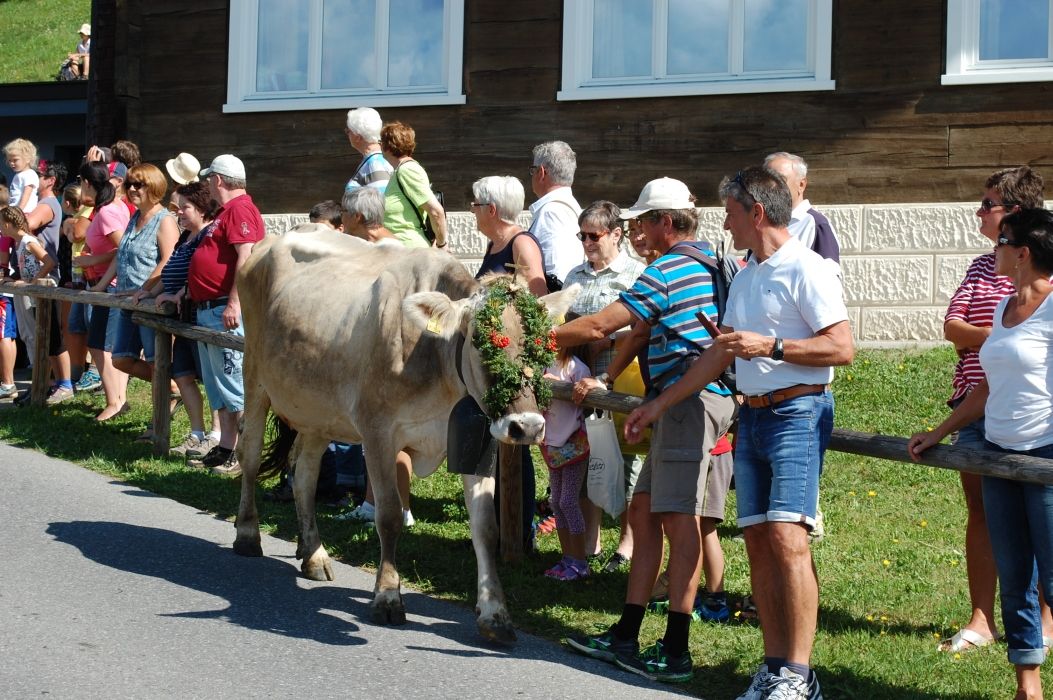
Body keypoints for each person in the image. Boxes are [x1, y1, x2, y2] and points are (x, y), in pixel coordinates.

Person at [624, 166, 853, 698]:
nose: (724, 224)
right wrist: (658, 405)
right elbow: (719, 354)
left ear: (757, 212)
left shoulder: (808, 268)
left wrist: (770, 346)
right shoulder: (746, 274)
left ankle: (800, 676)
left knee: (788, 539)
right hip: (752, 415)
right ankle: (774, 668)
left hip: (797, 413)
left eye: (730, 214)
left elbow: (841, 348)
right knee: (757, 540)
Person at [561, 177, 736, 683]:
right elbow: (640, 330)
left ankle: (676, 649)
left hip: (689, 403)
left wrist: (536, 335)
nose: (636, 229)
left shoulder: (670, 267)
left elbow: (602, 325)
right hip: (676, 403)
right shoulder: (700, 261)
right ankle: (626, 633)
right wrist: (608, 377)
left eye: (641, 221)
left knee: (681, 523)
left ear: (664, 221)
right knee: (643, 512)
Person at [908, 207, 1053, 700]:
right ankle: (1028, 688)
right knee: (1014, 575)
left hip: (1044, 460)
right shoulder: (1002, 307)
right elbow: (988, 386)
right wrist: (939, 432)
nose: (995, 248)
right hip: (997, 455)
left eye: (1002, 240)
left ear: (1023, 253)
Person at [938, 165, 1052, 653]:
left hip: (1035, 423)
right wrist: (1002, 339)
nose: (978, 212)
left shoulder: (1043, 279)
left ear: (1016, 215)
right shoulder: (986, 270)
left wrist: (1002, 341)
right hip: (978, 406)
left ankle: (1045, 622)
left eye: (988, 204)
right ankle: (985, 621)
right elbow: (952, 326)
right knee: (984, 514)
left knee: (1042, 525)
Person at [562, 201, 645, 572]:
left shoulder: (636, 274)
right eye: (581, 236)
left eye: (593, 236)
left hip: (620, 377)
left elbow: (643, 327)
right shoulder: (574, 275)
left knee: (624, 456)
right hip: (578, 382)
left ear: (616, 234)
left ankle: (627, 543)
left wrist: (608, 338)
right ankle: (590, 542)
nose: (586, 243)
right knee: (585, 455)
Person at [186, 154, 265, 476]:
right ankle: (226, 447)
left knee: (234, 384)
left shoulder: (240, 209)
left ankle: (244, 453)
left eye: (209, 179)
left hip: (224, 310)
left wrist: (235, 303)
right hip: (210, 308)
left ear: (218, 179)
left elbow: (246, 258)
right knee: (218, 386)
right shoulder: (225, 211)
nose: (207, 185)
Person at [145, 181, 221, 459]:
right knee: (183, 374)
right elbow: (170, 271)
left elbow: (200, 274)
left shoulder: (207, 236)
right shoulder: (186, 236)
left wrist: (178, 293)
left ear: (201, 208)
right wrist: (150, 292)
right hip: (183, 318)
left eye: (185, 208)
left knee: (211, 378)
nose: (179, 213)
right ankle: (196, 433)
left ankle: (216, 435)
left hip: (200, 316)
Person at [108, 164, 179, 432]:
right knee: (120, 359)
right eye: (129, 184)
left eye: (139, 184)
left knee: (156, 361)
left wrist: (146, 289)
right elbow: (121, 255)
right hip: (128, 300)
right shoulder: (134, 216)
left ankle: (158, 424)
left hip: (150, 303)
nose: (132, 189)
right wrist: (105, 285)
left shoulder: (164, 219)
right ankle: (174, 388)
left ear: (154, 187)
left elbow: (169, 260)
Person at [72, 161, 131, 421]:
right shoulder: (113, 206)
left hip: (110, 287)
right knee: (107, 346)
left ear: (87, 183)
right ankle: (119, 400)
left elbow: (123, 249)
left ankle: (114, 402)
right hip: (109, 285)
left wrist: (93, 261)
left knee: (99, 347)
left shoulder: (106, 212)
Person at [0, 205, 73, 405]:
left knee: (52, 339)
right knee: (34, 337)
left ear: (8, 224)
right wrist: (15, 278)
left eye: (1, 224)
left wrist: (32, 283)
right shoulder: (19, 243)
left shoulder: (28, 241)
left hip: (44, 293)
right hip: (33, 294)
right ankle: (40, 383)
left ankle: (62, 383)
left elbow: (49, 262)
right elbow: (26, 267)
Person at [540, 342, 592, 581]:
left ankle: (580, 561)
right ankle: (567, 558)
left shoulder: (577, 368)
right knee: (556, 502)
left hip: (574, 444)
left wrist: (561, 386)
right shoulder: (543, 365)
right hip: (552, 444)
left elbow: (586, 400)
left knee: (568, 501)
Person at [379, 121, 447, 250]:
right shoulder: (400, 170)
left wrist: (442, 245)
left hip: (410, 251)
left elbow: (436, 212)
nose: (379, 145)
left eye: (381, 142)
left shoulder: (407, 170)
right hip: (402, 250)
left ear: (388, 145)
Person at [764, 152, 840, 263]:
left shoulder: (816, 225)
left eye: (780, 180)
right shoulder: (763, 224)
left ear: (801, 185)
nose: (771, 186)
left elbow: (829, 273)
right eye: (766, 181)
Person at [528, 141, 583, 285]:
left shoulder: (551, 213)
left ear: (541, 172)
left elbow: (557, 275)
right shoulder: (566, 206)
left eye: (533, 170)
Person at [63, 183, 98, 390]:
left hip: (91, 273)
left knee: (92, 323)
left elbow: (76, 234)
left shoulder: (91, 211)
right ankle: (76, 373)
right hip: (78, 273)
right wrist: (69, 224)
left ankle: (95, 371)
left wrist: (69, 227)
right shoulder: (81, 213)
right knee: (76, 325)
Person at [344, 107, 392, 194]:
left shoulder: (375, 163)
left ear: (358, 137)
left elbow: (381, 198)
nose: (347, 135)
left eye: (348, 131)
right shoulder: (376, 159)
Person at [5, 138, 39, 212]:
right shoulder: (19, 175)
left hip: (24, 212)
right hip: (15, 211)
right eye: (10, 160)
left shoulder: (30, 174)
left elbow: (26, 194)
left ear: (27, 159)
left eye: (15, 160)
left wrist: (19, 211)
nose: (11, 163)